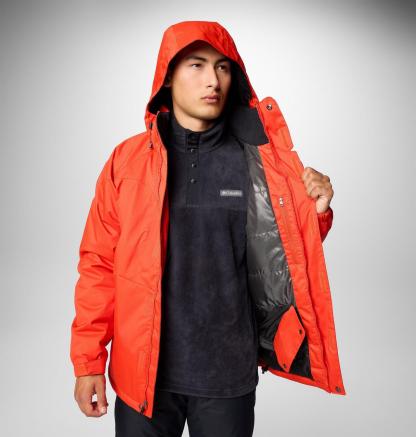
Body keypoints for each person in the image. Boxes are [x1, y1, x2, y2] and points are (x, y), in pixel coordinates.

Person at [70, 20, 345, 437]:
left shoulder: (259, 163)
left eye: (223, 67)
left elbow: (282, 251)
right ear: (168, 77)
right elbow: (98, 265)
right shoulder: (127, 162)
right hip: (144, 374)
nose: (212, 80)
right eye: (196, 65)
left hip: (226, 374)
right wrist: (89, 361)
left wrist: (317, 212)